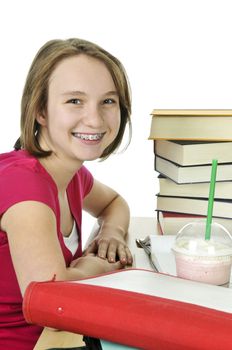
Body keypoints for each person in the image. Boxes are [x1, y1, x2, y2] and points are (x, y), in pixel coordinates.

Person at [0, 38, 133, 349]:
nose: (95, 119)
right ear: (41, 111)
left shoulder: (71, 175)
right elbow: (48, 301)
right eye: (75, 101)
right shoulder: (24, 186)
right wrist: (98, 267)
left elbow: (114, 203)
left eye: (108, 101)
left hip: (62, 335)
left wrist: (111, 233)